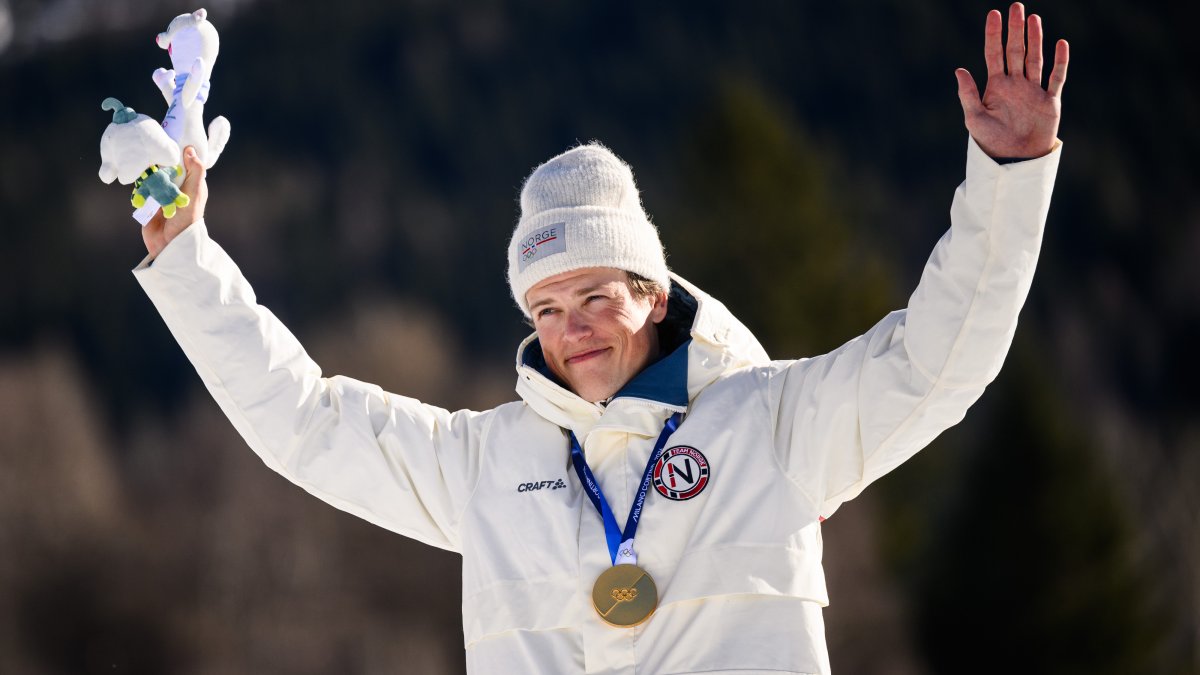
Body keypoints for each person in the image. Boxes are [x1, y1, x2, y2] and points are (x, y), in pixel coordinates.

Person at [133, 4, 1068, 673]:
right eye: (545, 308)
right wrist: (186, 262)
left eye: (592, 296)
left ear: (652, 294)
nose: (569, 329)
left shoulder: (773, 426)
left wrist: (1008, 175)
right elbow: (305, 422)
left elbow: (936, 361)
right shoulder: (487, 464)